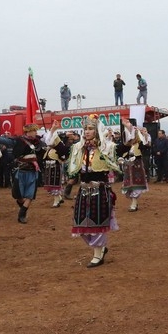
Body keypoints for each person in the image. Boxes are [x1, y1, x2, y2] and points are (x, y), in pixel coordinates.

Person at [65, 114, 119, 268]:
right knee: (81, 224)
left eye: (90, 129)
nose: (87, 132)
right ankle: (100, 248)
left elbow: (121, 149)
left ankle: (97, 254)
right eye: (85, 129)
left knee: (97, 222)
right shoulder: (79, 148)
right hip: (83, 190)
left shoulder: (106, 148)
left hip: (99, 189)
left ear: (97, 131)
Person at [3, 124, 46, 224]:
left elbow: (43, 151)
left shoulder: (38, 142)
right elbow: (9, 143)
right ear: (28, 131)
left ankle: (22, 214)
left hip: (33, 171)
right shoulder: (19, 140)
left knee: (30, 195)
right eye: (34, 131)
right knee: (18, 195)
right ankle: (23, 206)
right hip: (21, 170)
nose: (36, 133)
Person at [117, 118, 149, 212]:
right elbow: (120, 153)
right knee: (129, 185)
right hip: (128, 167)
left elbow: (146, 146)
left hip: (136, 166)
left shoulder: (139, 145)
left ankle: (134, 203)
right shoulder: (126, 147)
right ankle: (133, 202)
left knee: (135, 185)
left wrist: (145, 135)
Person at [42, 121, 69, 208]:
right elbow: (48, 141)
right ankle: (59, 198)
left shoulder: (58, 144)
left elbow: (49, 141)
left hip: (55, 165)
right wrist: (53, 129)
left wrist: (53, 129)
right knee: (51, 182)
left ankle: (56, 201)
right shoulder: (51, 147)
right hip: (49, 165)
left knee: (54, 182)